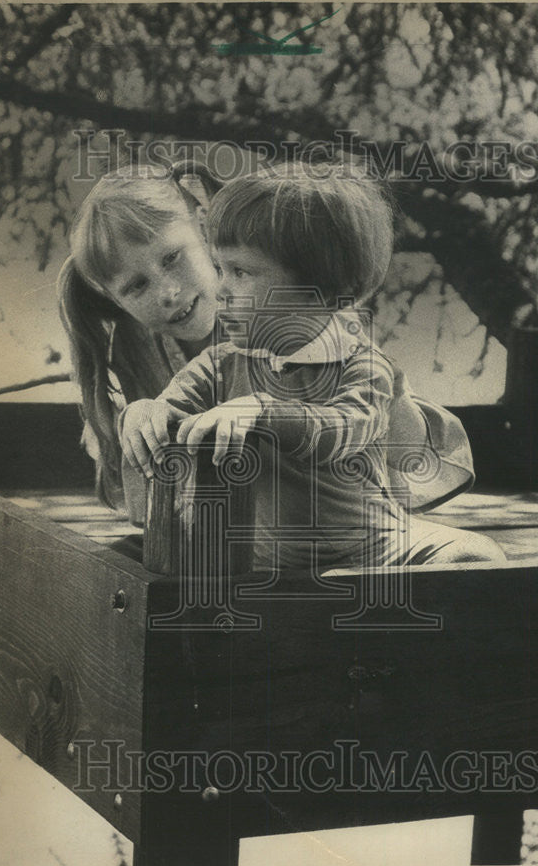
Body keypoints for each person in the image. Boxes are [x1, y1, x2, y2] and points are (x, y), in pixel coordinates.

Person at [119, 163, 505, 570]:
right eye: (219, 269)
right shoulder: (220, 364)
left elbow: (348, 427)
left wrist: (264, 411)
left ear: (321, 290)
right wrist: (145, 413)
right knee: (132, 563)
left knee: (480, 557)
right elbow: (171, 405)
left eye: (240, 272)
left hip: (374, 552)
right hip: (261, 560)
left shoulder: (363, 366)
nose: (220, 289)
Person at [57, 162, 223, 512]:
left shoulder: (271, 307)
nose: (167, 292)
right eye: (136, 286)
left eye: (172, 257)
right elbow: (148, 499)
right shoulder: (136, 348)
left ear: (203, 225)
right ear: (115, 301)